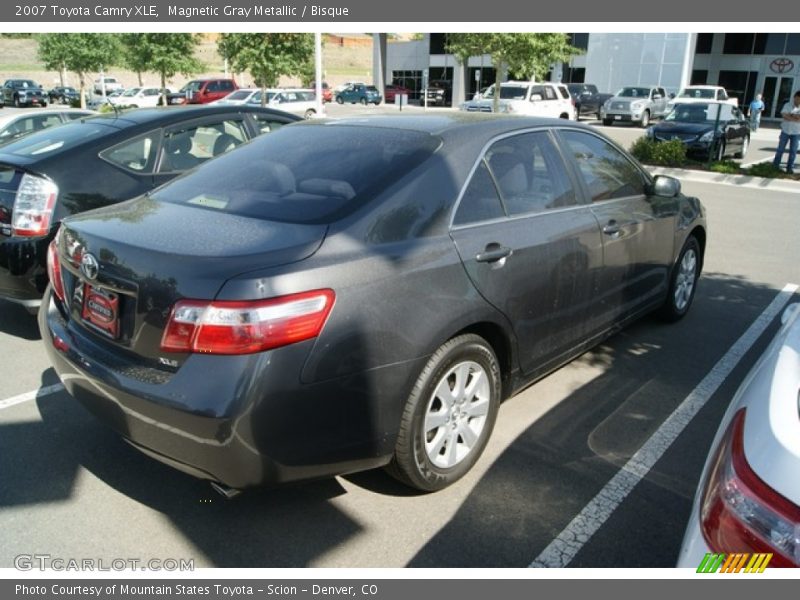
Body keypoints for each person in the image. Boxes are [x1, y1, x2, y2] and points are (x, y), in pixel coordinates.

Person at [772, 91, 800, 174]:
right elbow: (784, 115)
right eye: (797, 99)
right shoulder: (787, 105)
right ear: (794, 98)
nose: (798, 101)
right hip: (785, 131)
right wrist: (795, 118)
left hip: (796, 132)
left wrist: (790, 116)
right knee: (780, 149)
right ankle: (775, 167)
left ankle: (789, 168)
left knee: (793, 151)